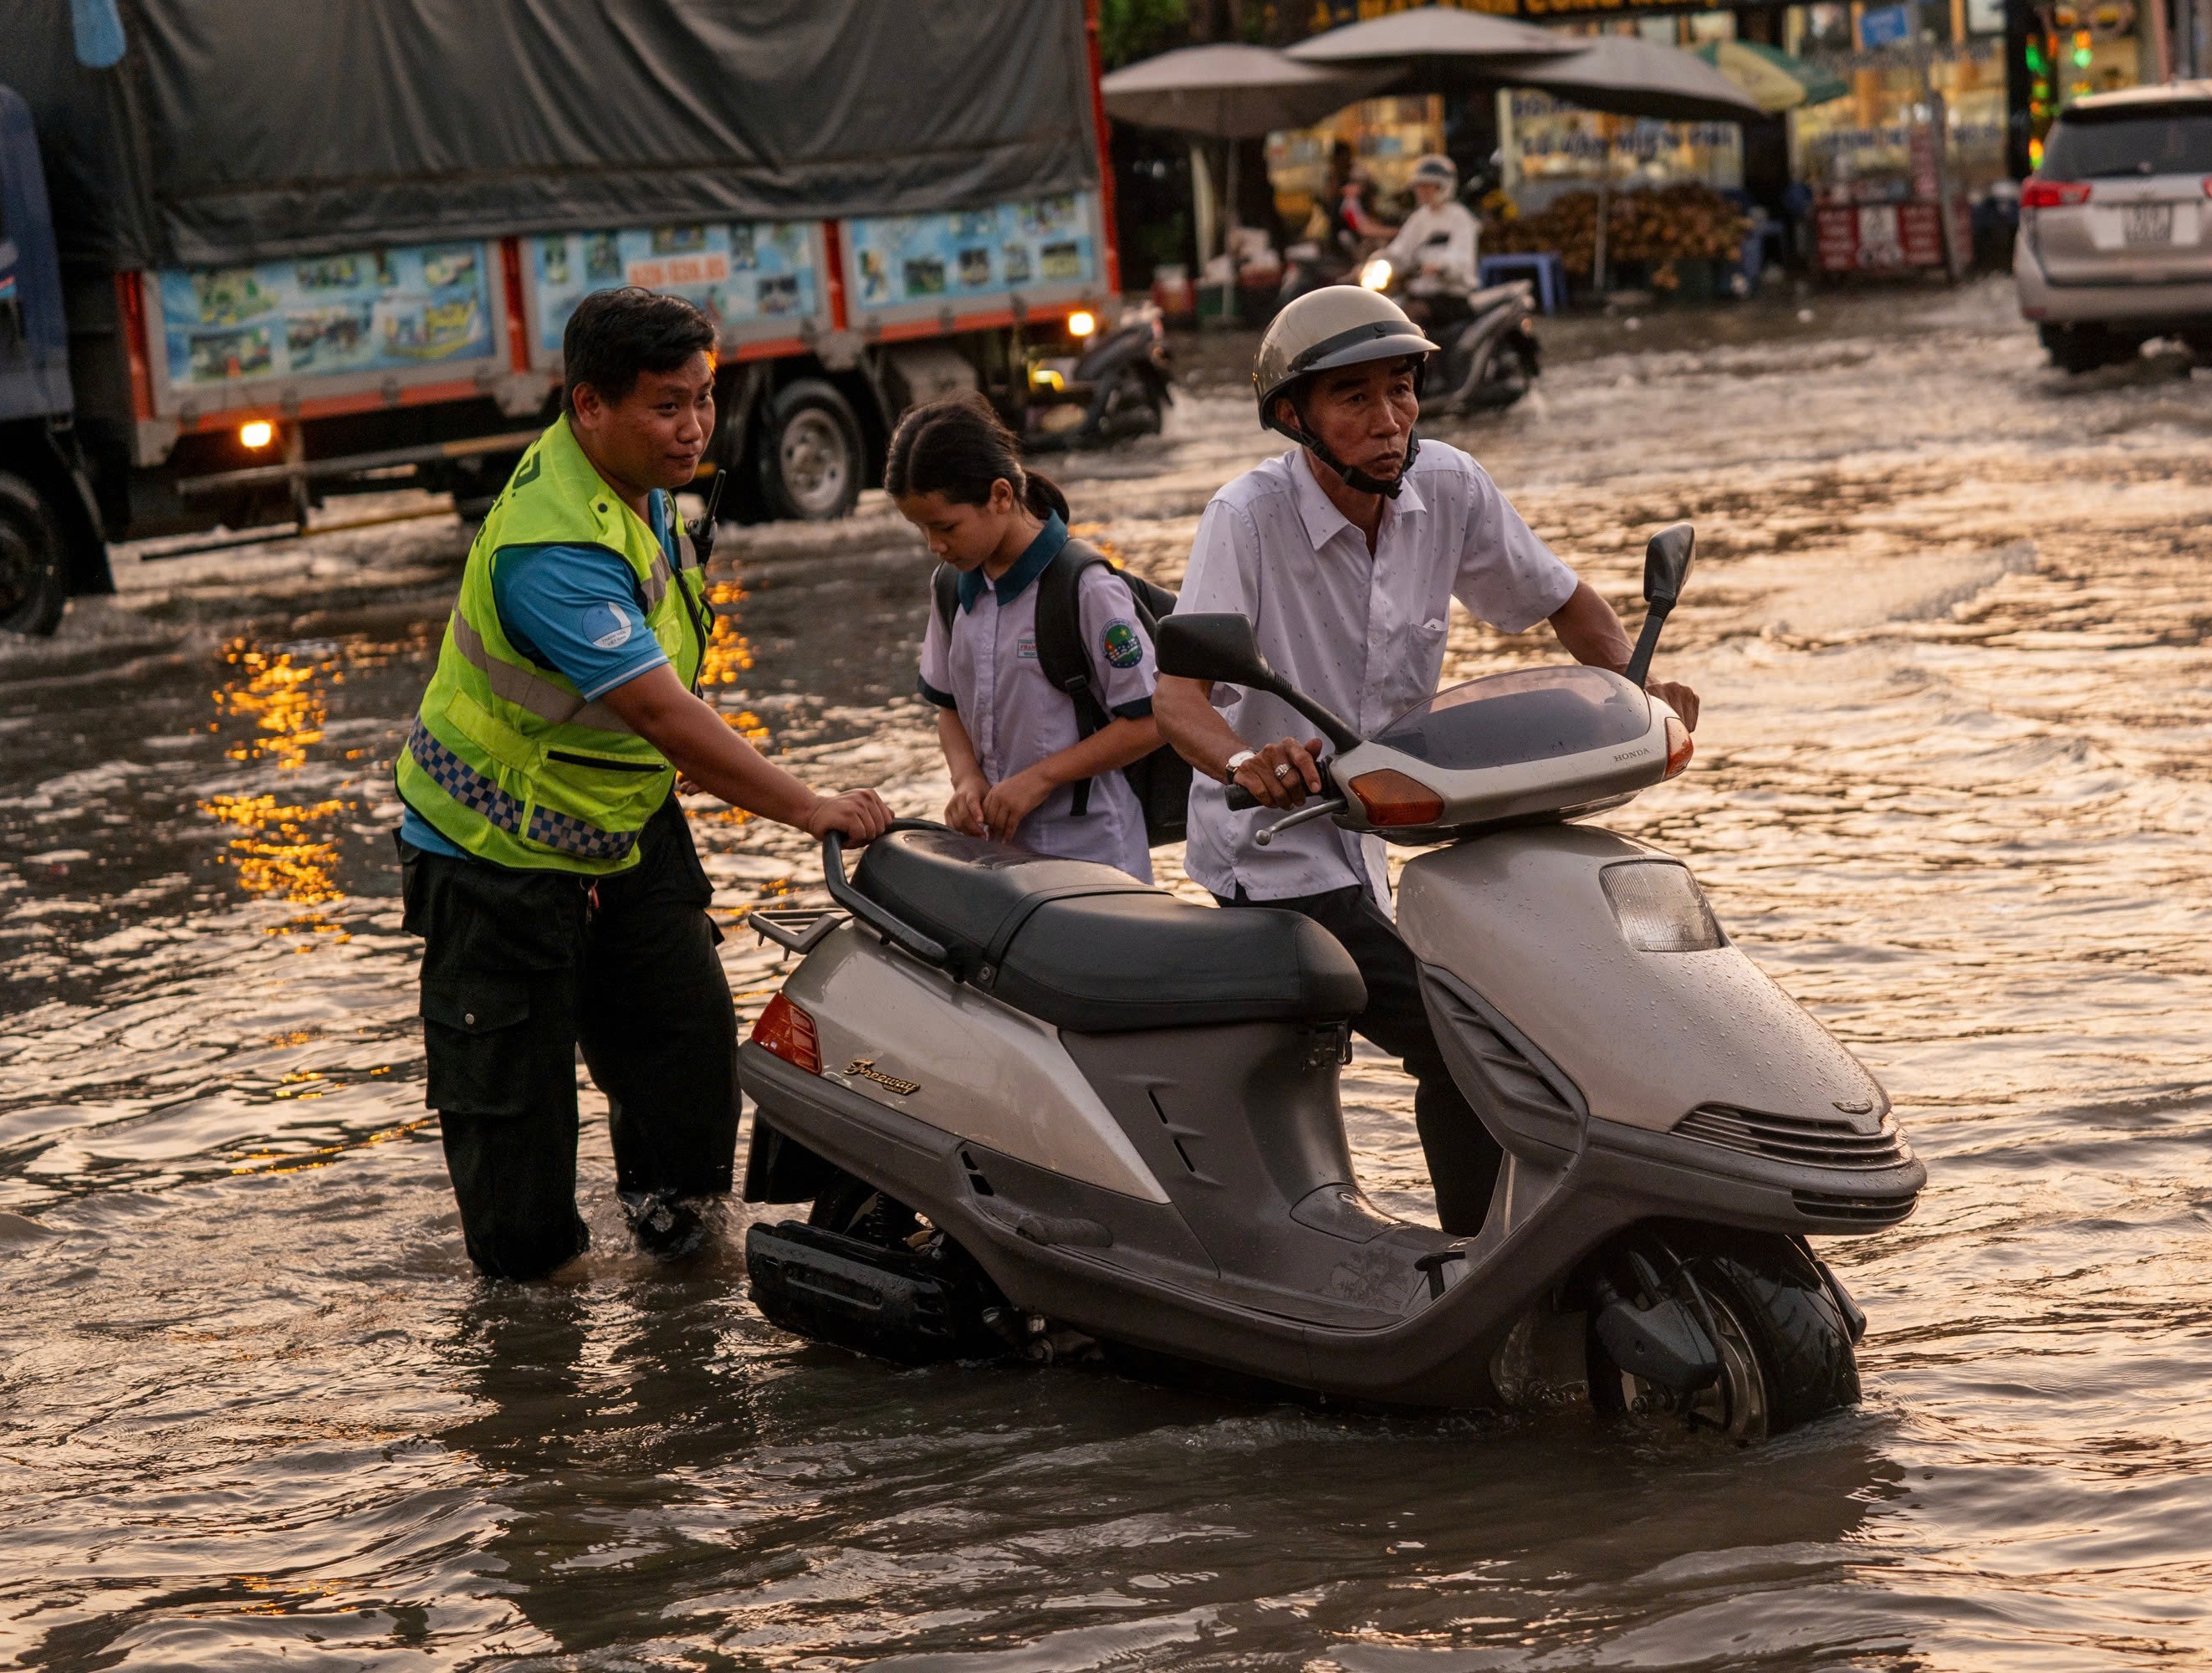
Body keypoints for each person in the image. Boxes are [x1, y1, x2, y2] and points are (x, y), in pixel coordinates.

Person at [1152, 286, 1700, 1236]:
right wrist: (1247, 760)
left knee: (1537, 997)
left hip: (1402, 830)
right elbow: (1177, 699)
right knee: (1463, 1042)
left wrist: (1638, 694)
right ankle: (1480, 1259)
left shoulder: (1449, 485)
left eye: (1401, 390)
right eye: (1355, 398)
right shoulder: (1244, 518)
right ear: (1295, 417)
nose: (1388, 418)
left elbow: (1567, 603)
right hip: (1278, 854)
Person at [395, 287, 892, 1281]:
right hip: (494, 867)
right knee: (522, 1192)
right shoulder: (552, 548)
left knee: (689, 1068)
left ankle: (680, 1296)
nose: (696, 426)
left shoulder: (640, 488)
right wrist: (806, 806)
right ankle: (537, 1378)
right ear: (589, 405)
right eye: (669, 405)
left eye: (704, 398)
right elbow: (665, 714)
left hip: (623, 833)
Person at [890, 395, 1163, 879]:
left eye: (946, 527)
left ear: (1000, 495)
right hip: (1001, 860)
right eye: (922, 531)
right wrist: (966, 778)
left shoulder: (1085, 587)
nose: (935, 546)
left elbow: (1149, 722)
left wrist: (1041, 778)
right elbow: (948, 707)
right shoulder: (951, 586)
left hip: (1096, 860)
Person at [1379, 155, 1481, 326]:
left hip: (1450, 298)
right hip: (1418, 293)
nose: (1421, 190)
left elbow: (1462, 261)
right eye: (1419, 186)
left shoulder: (1460, 217)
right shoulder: (1419, 218)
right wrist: (1380, 260)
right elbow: (1400, 250)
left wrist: (1441, 267)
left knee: (1411, 319)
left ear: (1444, 186)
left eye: (1427, 185)